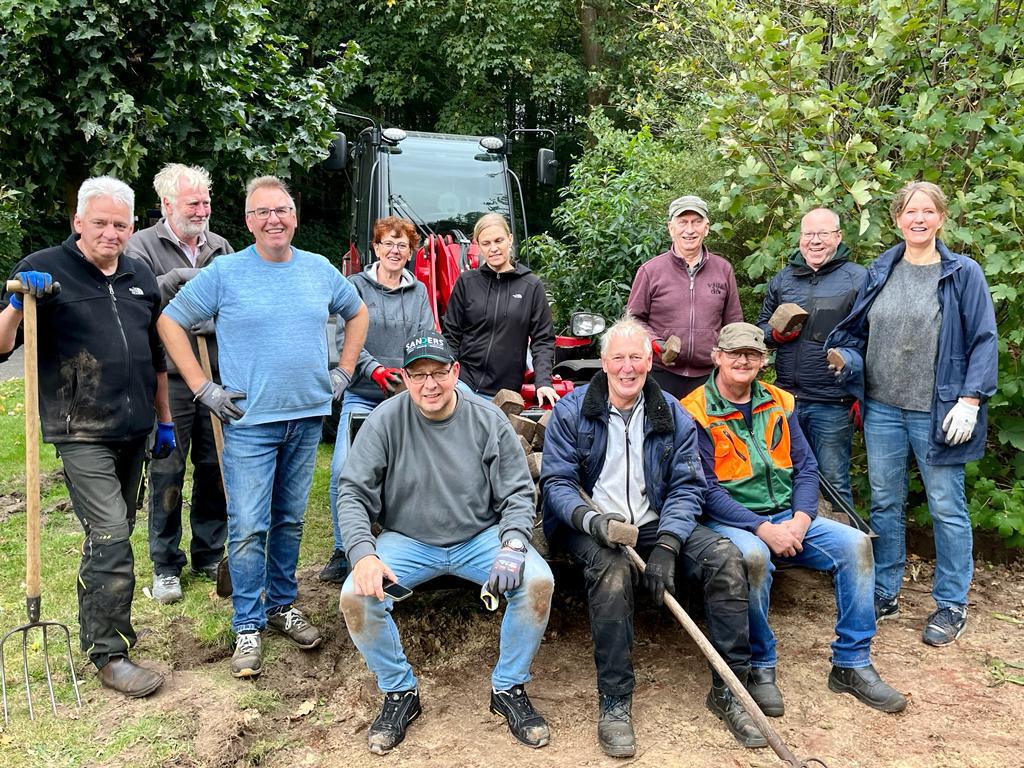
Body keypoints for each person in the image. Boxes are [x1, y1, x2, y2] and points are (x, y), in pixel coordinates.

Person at [158, 175, 369, 678]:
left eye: (282, 210)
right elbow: (170, 321)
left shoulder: (318, 269)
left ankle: (280, 605)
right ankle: (247, 624)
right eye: (262, 212)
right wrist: (201, 387)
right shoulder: (226, 272)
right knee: (250, 526)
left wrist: (343, 370)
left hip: (306, 417)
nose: (274, 219)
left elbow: (358, 313)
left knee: (291, 520)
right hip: (250, 423)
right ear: (249, 221)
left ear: (293, 216)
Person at [541, 316, 765, 756]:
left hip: (653, 524)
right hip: (590, 526)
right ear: (603, 362)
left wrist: (667, 543)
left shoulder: (672, 414)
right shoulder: (572, 412)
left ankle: (730, 688)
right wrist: (593, 521)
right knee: (611, 571)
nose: (628, 368)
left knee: (724, 557)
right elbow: (557, 485)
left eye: (637, 358)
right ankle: (615, 701)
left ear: (650, 361)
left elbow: (687, 486)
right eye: (619, 358)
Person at [337, 331, 553, 755]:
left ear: (455, 372)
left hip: (480, 536)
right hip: (408, 540)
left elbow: (518, 492)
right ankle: (400, 692)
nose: (429, 384)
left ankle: (508, 687)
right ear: (404, 377)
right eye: (418, 375)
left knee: (537, 583)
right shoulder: (385, 419)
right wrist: (362, 554)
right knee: (355, 597)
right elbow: (352, 492)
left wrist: (512, 544)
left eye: (439, 372)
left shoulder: (486, 420)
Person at [0, 176, 172, 698]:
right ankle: (110, 654)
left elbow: (157, 358)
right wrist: (15, 303)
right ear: (78, 222)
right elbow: (1, 345)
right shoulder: (45, 269)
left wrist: (164, 421)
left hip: (135, 428)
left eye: (120, 224)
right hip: (80, 430)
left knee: (109, 535)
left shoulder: (141, 275)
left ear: (132, 227)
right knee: (113, 535)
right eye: (99, 222)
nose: (110, 233)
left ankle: (97, 626)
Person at [681, 322, 907, 715]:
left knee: (856, 545)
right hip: (732, 521)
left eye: (751, 353)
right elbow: (707, 491)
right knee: (751, 559)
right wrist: (763, 528)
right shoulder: (694, 410)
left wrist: (802, 519)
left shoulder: (780, 402)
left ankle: (852, 663)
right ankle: (760, 666)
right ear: (716, 356)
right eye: (734, 352)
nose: (742, 360)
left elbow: (805, 468)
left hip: (790, 514)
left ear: (763, 361)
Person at [826, 181, 998, 646]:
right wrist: (848, 361)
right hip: (882, 407)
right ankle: (884, 591)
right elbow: (858, 332)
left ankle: (950, 603)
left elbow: (983, 339)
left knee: (946, 506)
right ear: (897, 220)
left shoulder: (962, 273)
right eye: (909, 212)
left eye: (926, 211)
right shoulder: (882, 269)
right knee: (885, 502)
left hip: (938, 410)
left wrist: (971, 400)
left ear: (941, 218)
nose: (917, 219)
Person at [124, 163, 233, 604]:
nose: (203, 210)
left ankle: (208, 552)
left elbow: (234, 299)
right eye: (194, 202)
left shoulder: (221, 246)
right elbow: (136, 301)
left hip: (212, 372)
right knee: (168, 466)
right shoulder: (141, 247)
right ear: (168, 204)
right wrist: (171, 282)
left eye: (206, 202)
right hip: (167, 375)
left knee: (214, 463)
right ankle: (166, 564)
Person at [320, 216, 434, 584]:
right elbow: (346, 342)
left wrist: (409, 376)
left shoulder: (418, 294)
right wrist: (375, 371)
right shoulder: (355, 287)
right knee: (343, 469)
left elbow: (426, 337)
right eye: (388, 243)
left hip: (406, 397)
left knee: (413, 470)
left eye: (403, 245)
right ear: (376, 247)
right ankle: (343, 550)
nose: (395, 251)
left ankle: (409, 541)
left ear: (410, 252)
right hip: (364, 395)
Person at [756, 208, 866, 508]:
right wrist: (774, 335)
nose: (814, 241)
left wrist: (861, 393)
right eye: (808, 234)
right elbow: (760, 328)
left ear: (838, 237)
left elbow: (872, 341)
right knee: (784, 478)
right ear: (800, 238)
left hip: (833, 402)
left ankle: (847, 549)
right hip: (786, 400)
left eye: (823, 234)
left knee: (833, 481)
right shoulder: (784, 279)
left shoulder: (858, 279)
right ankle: (795, 550)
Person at [626, 195, 743, 398]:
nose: (689, 230)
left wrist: (728, 359)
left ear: (706, 228)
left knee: (705, 430)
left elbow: (733, 323)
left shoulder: (723, 269)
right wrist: (655, 342)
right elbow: (633, 319)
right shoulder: (650, 270)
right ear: (671, 228)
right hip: (661, 374)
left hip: (709, 376)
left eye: (696, 222)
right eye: (683, 222)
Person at [442, 213, 558, 406]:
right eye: (486, 243)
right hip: (463, 384)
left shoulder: (531, 285)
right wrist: (448, 376)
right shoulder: (467, 282)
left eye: (499, 240)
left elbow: (543, 340)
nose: (493, 248)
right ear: (477, 246)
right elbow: (451, 335)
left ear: (510, 239)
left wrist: (543, 382)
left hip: (505, 393)